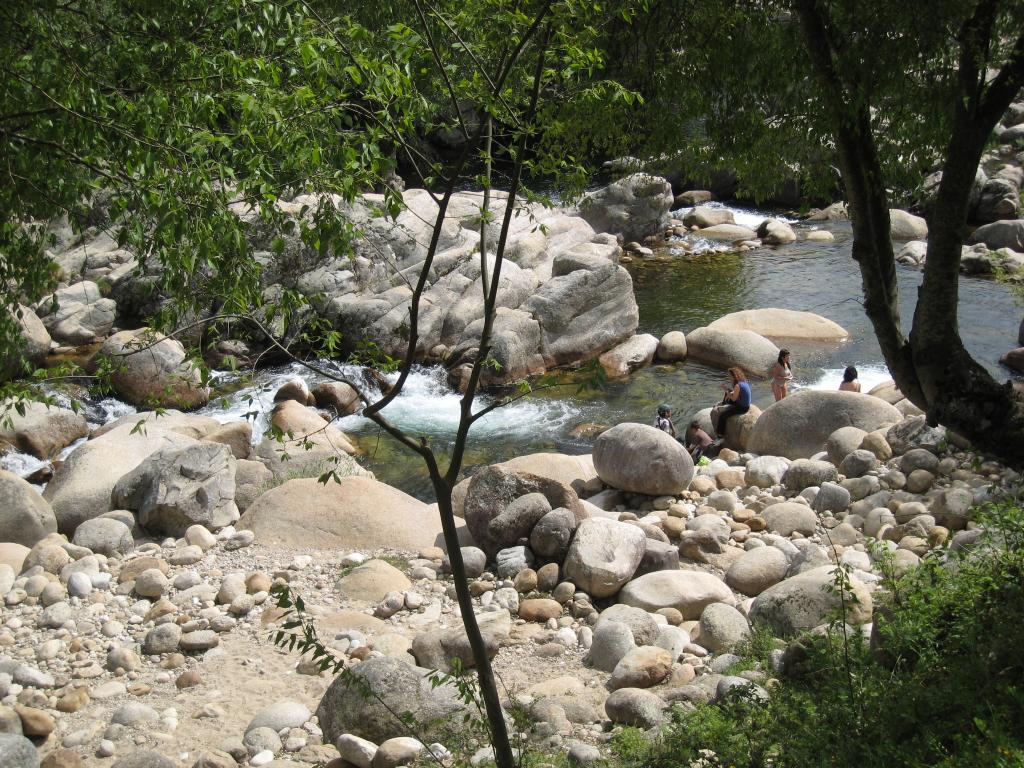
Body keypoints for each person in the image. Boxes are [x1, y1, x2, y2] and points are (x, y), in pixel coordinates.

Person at [713, 367, 751, 438]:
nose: (729, 377)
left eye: (730, 376)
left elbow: (733, 399)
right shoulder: (744, 381)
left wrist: (726, 391)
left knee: (723, 416)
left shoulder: (737, 385)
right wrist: (729, 391)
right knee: (729, 391)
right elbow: (736, 392)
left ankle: (720, 435)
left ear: (734, 376)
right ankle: (724, 404)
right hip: (744, 404)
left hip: (742, 408)